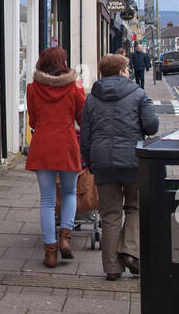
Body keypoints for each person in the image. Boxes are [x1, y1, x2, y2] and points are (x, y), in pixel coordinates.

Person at [81, 52, 159, 280]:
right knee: (135, 207)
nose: (128, 72)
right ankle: (130, 252)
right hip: (133, 160)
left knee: (109, 214)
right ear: (120, 71)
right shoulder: (138, 94)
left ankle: (112, 268)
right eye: (126, 69)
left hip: (102, 161)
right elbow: (152, 126)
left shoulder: (92, 98)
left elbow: (85, 135)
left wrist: (91, 162)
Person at [25, 46, 85, 268]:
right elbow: (82, 116)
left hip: (42, 145)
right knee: (70, 192)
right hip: (67, 144)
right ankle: (65, 238)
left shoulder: (33, 88)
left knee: (48, 201)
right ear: (63, 62)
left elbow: (32, 120)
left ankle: (50, 252)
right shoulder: (73, 87)